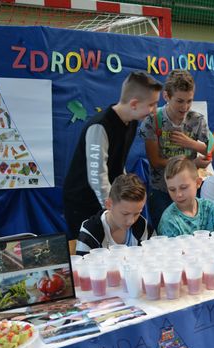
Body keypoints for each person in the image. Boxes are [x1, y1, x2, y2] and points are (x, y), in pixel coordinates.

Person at [63, 71, 162, 238]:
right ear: (134, 104)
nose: (154, 111)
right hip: (82, 203)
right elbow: (97, 177)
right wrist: (113, 210)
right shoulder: (100, 126)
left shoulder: (130, 123)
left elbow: (117, 163)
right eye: (152, 104)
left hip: (108, 200)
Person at [140, 70, 214, 228]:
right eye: (180, 101)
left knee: (195, 231)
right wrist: (191, 163)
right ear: (166, 96)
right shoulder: (153, 121)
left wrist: (192, 144)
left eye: (189, 101)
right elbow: (155, 161)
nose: (185, 107)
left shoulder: (196, 119)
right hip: (162, 190)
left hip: (189, 189)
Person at [158, 156, 214, 237]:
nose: (178, 194)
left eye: (183, 187)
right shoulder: (169, 221)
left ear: (198, 183)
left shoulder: (209, 207)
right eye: (172, 189)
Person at [75, 174, 154, 256]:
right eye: (125, 213)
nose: (131, 221)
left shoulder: (143, 226)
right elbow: (83, 266)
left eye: (137, 213)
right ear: (109, 204)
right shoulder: (91, 232)